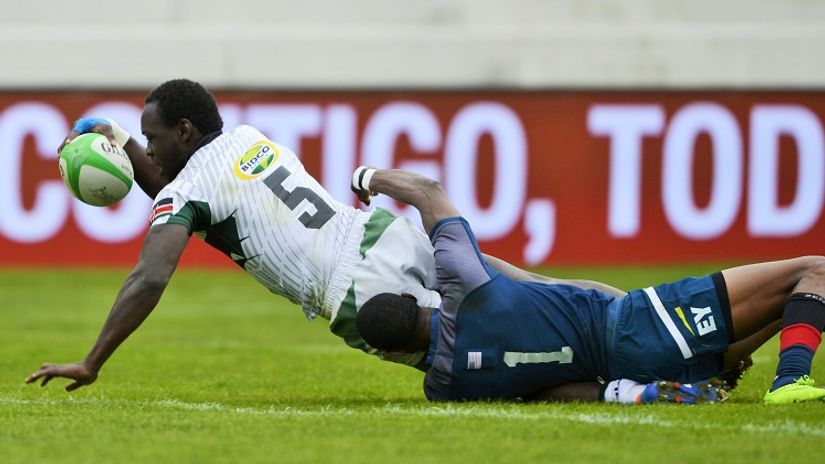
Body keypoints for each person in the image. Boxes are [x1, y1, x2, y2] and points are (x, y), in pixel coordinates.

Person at [25, 78, 624, 393]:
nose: (148, 149)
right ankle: (636, 314)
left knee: (493, 363)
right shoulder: (245, 138)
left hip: (360, 292)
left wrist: (93, 361)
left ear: (183, 131)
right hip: (382, 233)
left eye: (152, 137)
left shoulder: (189, 192)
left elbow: (150, 276)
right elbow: (170, 180)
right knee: (536, 291)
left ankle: (626, 387)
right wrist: (111, 134)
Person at [350, 166, 825, 405]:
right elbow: (428, 192)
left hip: (636, 367)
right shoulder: (468, 288)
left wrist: (634, 394)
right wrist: (367, 177)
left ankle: (723, 374)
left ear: (395, 352)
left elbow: (545, 393)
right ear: (413, 297)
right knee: (813, 272)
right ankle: (789, 379)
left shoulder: (445, 386)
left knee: (792, 302)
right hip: (642, 322)